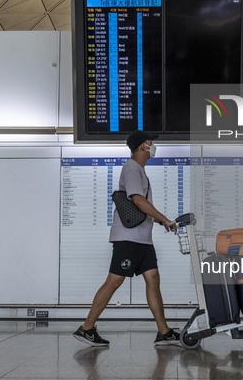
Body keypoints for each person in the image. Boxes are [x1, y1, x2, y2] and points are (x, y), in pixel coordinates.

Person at [73, 130, 180, 347]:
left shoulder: (139, 170)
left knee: (153, 278)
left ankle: (164, 331)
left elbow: (141, 203)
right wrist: (165, 219)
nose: (153, 147)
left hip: (142, 239)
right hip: (129, 239)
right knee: (115, 281)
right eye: (150, 143)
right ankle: (86, 328)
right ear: (142, 146)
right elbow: (138, 200)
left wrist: (159, 222)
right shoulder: (131, 168)